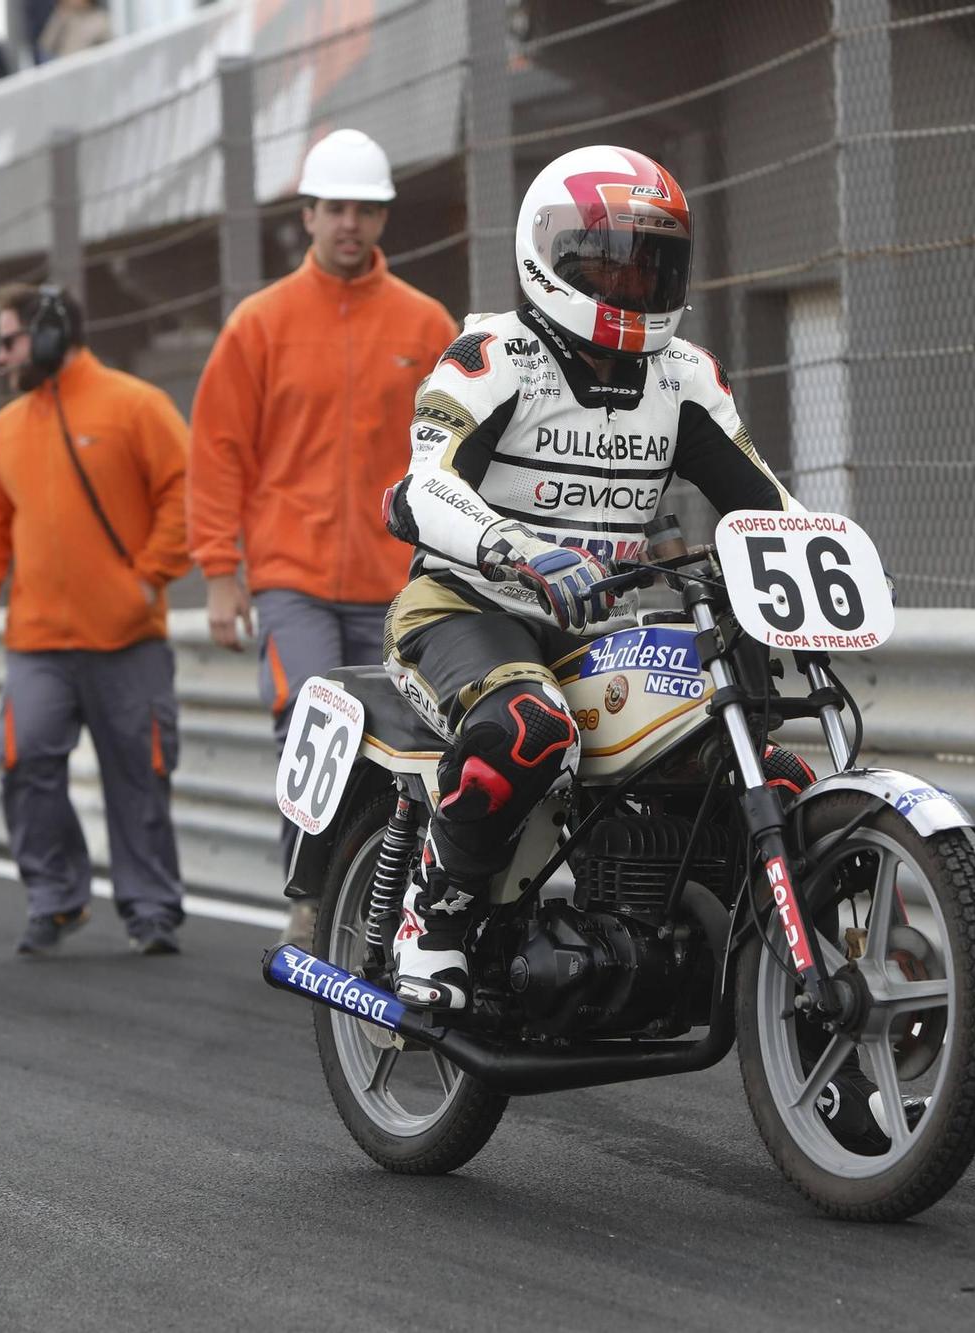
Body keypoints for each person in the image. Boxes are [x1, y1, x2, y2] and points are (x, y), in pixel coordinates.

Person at [379, 144, 803, 1011]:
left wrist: (821, 557)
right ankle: (434, 922)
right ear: (550, 253)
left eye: (652, 259)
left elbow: (766, 504)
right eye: (608, 256)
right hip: (463, 606)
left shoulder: (685, 378)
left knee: (764, 766)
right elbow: (418, 487)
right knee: (528, 728)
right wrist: (519, 550)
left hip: (598, 625)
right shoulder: (493, 354)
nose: (632, 278)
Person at [188, 128, 457, 943]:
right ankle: (308, 902)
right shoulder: (259, 325)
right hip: (291, 578)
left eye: (367, 210)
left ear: (383, 219)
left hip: (398, 583)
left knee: (400, 748)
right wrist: (219, 573)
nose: (351, 223)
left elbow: (459, 447)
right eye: (335, 208)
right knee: (312, 728)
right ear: (306, 216)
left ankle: (382, 914)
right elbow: (217, 450)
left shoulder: (425, 323)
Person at [0, 283, 193, 956]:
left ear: (54, 333)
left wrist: (147, 579)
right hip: (36, 643)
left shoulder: (135, 406)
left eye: (10, 340)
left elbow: (187, 487)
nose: (0, 356)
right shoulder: (5, 428)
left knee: (138, 772)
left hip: (129, 641)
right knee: (22, 754)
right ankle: (57, 897)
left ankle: (150, 910)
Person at [37, 0, 111, 61]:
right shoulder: (67, 16)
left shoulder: (99, 20)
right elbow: (45, 47)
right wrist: (60, 15)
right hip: (63, 70)